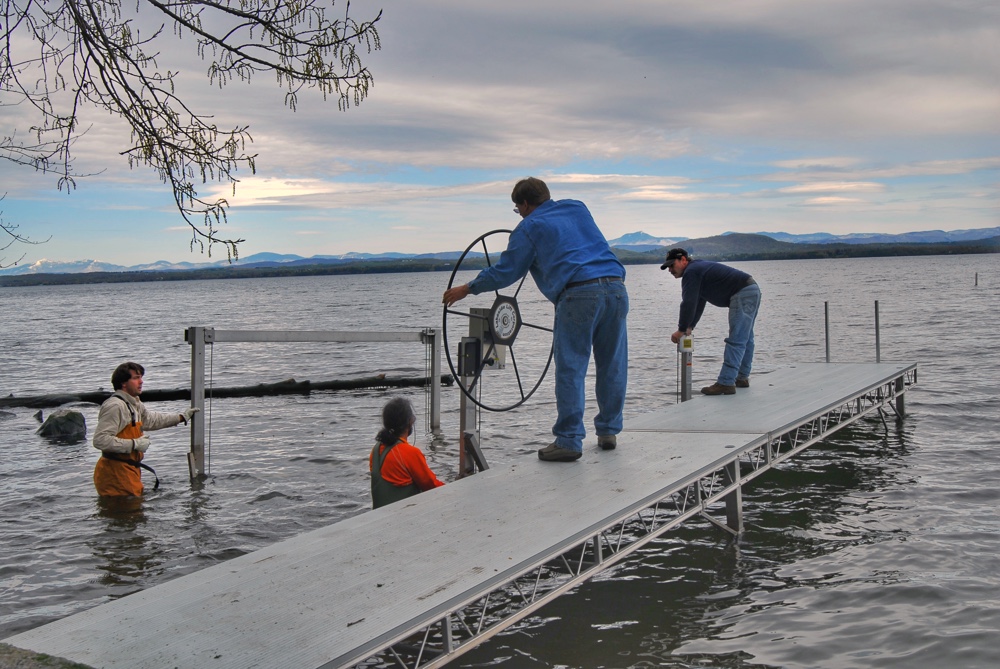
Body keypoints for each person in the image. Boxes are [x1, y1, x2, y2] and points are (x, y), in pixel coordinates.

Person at [442, 177, 629, 462]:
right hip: (617, 289)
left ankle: (569, 440)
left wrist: (468, 289)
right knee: (612, 364)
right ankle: (608, 432)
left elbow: (506, 271)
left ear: (525, 204)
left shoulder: (528, 227)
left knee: (571, 368)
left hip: (578, 294)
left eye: (518, 210)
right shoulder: (577, 207)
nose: (520, 214)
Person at [661, 248, 762, 395]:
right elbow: (699, 302)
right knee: (746, 338)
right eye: (667, 267)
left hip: (742, 292)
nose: (670, 269)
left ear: (683, 260)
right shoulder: (698, 269)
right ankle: (742, 377)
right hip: (751, 289)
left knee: (737, 339)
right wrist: (690, 326)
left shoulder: (691, 272)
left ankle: (726, 382)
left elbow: (688, 303)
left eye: (672, 265)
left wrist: (681, 329)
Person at [92, 362, 200, 496]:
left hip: (129, 470)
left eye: (141, 377)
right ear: (123, 383)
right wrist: (134, 444)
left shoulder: (134, 403)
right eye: (136, 378)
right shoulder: (115, 406)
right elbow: (100, 440)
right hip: (115, 474)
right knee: (128, 513)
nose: (141, 381)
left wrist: (181, 417)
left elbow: (150, 420)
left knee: (133, 514)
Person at [370, 397, 445, 509]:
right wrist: (455, 487)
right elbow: (431, 486)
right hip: (404, 517)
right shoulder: (410, 453)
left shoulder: (375, 451)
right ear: (410, 422)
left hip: (379, 516)